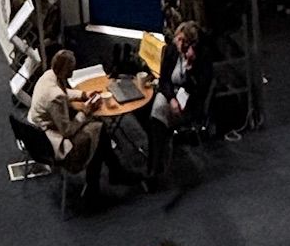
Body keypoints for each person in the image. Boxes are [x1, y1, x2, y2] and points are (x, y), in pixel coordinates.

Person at [28, 49, 131, 207]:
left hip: (37, 133)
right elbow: (67, 131)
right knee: (98, 132)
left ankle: (109, 176)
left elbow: (64, 92)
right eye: (71, 69)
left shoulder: (49, 75)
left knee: (98, 131)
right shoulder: (56, 96)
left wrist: (83, 95)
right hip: (51, 143)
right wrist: (85, 111)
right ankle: (106, 178)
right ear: (64, 69)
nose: (73, 71)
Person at [146, 22, 213, 180]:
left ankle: (154, 166)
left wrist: (190, 69)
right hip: (171, 94)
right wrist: (171, 99)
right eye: (178, 39)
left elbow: (200, 90)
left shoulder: (202, 57)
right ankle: (155, 164)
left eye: (184, 41)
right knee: (156, 112)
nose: (179, 43)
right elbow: (164, 81)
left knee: (158, 118)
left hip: (190, 101)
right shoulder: (171, 50)